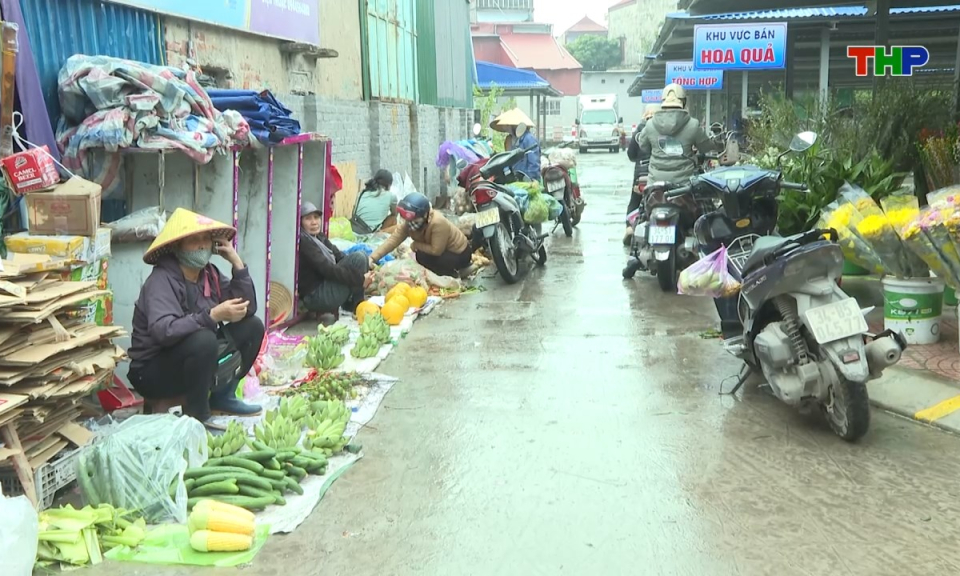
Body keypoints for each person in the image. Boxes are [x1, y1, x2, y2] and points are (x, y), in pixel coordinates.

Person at [127, 208, 263, 428]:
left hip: (195, 360)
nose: (202, 245)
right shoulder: (161, 280)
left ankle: (223, 396)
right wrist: (213, 315)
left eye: (205, 239)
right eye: (193, 240)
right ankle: (198, 416)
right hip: (152, 371)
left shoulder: (210, 274)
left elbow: (248, 308)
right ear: (177, 246)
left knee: (253, 327)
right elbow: (164, 331)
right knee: (203, 339)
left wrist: (236, 262)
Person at [369, 192, 478, 278]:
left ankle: (457, 272)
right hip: (443, 252)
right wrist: (372, 258)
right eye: (409, 220)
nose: (411, 223)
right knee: (421, 256)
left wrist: (416, 245)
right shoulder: (410, 223)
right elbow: (393, 240)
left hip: (459, 253)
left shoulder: (437, 222)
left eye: (415, 220)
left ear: (425, 215)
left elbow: (436, 250)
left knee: (422, 256)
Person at [636, 84, 719, 185]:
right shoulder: (693, 124)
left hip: (655, 183)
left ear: (663, 101)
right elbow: (705, 147)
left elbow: (644, 146)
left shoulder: (650, 125)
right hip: (684, 184)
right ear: (683, 102)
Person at [299, 201, 373, 314]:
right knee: (358, 258)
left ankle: (356, 305)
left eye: (316, 217)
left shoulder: (319, 237)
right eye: (308, 219)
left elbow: (339, 256)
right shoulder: (305, 242)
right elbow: (328, 269)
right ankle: (357, 306)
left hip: (326, 286)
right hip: (316, 297)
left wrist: (365, 269)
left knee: (361, 256)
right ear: (301, 223)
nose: (314, 222)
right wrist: (360, 279)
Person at [624, 104, 660, 245]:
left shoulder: (639, 129)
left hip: (640, 175)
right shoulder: (662, 129)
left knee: (634, 201)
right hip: (657, 173)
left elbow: (631, 154)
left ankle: (629, 227)